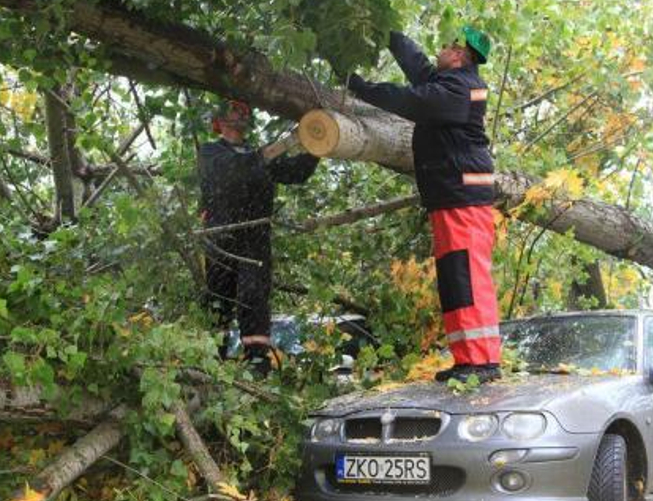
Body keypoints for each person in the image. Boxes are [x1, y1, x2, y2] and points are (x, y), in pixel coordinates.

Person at [346, 27, 502, 383]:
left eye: (449, 45)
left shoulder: (459, 90)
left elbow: (410, 100)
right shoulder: (452, 83)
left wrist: (361, 87)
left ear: (460, 55)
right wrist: (388, 33)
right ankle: (469, 361)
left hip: (463, 197)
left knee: (467, 278)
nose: (442, 48)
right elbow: (417, 66)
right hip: (451, 196)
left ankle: (483, 362)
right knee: (455, 280)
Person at [199, 100, 319, 374]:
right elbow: (235, 169)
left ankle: (257, 362)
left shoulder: (260, 156)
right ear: (219, 120)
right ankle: (212, 365)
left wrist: (316, 147)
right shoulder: (210, 152)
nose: (243, 112)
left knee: (254, 295)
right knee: (218, 301)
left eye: (245, 110)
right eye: (235, 109)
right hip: (221, 237)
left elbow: (295, 172)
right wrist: (282, 145)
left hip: (255, 238)